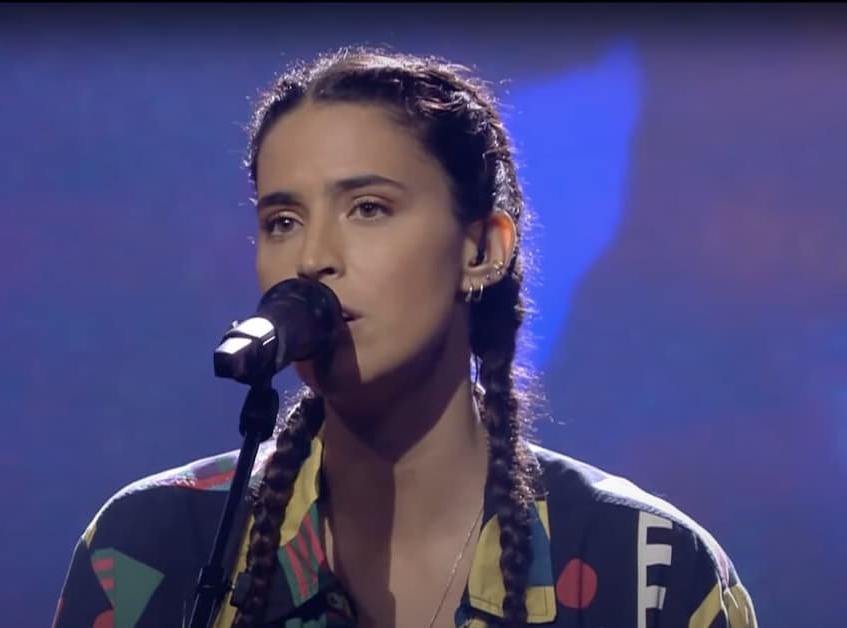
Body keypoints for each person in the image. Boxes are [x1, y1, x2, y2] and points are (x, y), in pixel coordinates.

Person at [51, 46, 757, 628]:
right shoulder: (149, 550)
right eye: (282, 221)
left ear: (482, 250)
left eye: (368, 208)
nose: (312, 258)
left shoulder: (646, 572)